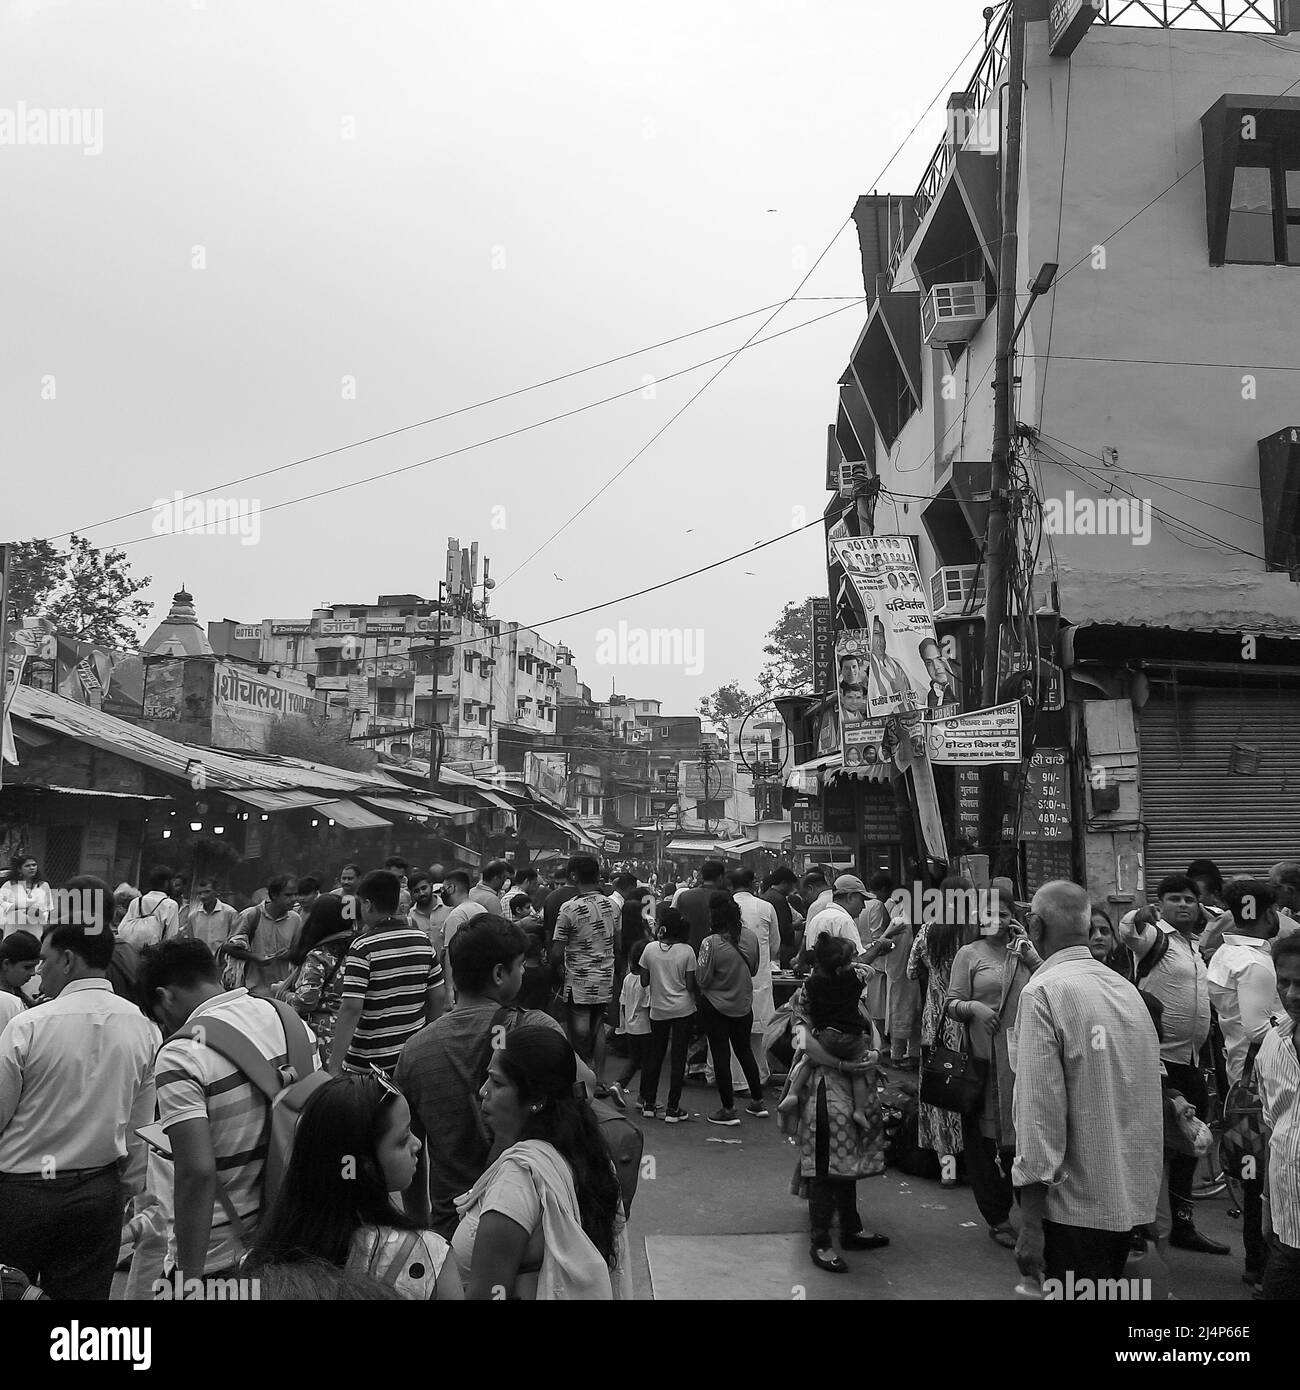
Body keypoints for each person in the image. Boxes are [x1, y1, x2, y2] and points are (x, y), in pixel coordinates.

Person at [139, 939, 320, 1285]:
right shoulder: (290, 1019)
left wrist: (186, 1280)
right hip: (296, 1237)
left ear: (164, 997)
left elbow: (197, 1173)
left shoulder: (181, 1055)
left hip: (221, 1255)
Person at [1013, 881, 1163, 1289]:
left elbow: (1039, 1114)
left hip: (1072, 1209)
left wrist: (1030, 1224)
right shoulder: (1127, 991)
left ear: (1034, 926)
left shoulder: (1042, 993)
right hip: (1128, 1199)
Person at [0, 911, 158, 1299]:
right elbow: (140, 1125)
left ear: (68, 960)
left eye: (45, 963)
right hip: (98, 1190)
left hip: (22, 1191)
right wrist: (126, 1187)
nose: (39, 974)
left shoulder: (29, 1025)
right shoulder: (143, 1027)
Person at [395, 916, 567, 1240]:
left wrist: (420, 1228)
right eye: (520, 965)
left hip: (450, 1227)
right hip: (529, 1226)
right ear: (500, 974)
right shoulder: (538, 1031)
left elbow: (411, 1151)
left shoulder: (415, 1050)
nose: (525, 972)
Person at [246, 1072, 462, 1300]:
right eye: (402, 1140)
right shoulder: (429, 1257)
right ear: (363, 1165)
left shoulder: (262, 1261)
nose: (417, 1144)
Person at [453, 1025, 628, 1299]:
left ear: (536, 1099)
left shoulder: (519, 1178)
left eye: (497, 1083)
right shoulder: (587, 1157)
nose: (483, 1091)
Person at [1117, 874, 1228, 1255]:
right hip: (1157, 1061)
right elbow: (1128, 928)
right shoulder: (1153, 938)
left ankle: (1181, 1223)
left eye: (1189, 900)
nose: (1183, 905)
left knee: (1188, 1148)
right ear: (1161, 904)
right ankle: (1136, 1226)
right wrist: (1141, 913)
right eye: (1175, 899)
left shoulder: (1195, 946)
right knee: (1150, 1148)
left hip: (1192, 1061)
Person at [945, 881, 1041, 1250]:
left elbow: (1055, 985)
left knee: (1026, 1139)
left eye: (1003, 913)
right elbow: (951, 1003)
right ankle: (997, 1216)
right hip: (984, 1065)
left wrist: (1030, 953)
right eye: (989, 914)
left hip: (1027, 1062)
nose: (997, 920)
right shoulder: (969, 954)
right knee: (986, 1145)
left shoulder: (1027, 952)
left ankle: (1032, 1213)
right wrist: (975, 1008)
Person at [784, 957, 889, 1273]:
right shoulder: (809, 996)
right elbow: (802, 1041)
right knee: (824, 1163)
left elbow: (872, 1031)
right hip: (825, 1087)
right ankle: (820, 1240)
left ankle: (850, 1227)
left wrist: (873, 1054)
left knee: (847, 1156)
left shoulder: (850, 994)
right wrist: (844, 1064)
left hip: (856, 1084)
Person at [1207, 878, 1283, 1289]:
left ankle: (1259, 1261)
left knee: (1257, 1177)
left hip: (1242, 1077)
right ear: (1268, 913)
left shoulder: (1227, 953)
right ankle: (1266, 1267)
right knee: (1268, 1177)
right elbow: (1259, 1028)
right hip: (1264, 1082)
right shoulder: (1255, 963)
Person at [329, 870, 444, 1077]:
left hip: (368, 1064)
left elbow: (351, 1008)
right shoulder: (422, 940)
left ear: (368, 904)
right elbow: (438, 996)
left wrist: (335, 1066)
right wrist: (425, 1044)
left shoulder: (363, 946)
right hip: (410, 1058)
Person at [906, 876, 975, 1177]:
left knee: (938, 1096)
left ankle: (947, 1169)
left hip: (935, 1022)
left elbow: (911, 972)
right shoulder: (975, 934)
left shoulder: (928, 930)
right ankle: (977, 1165)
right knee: (971, 1091)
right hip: (970, 1023)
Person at [779, 934, 875, 1129]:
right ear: (843, 966)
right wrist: (870, 1055)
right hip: (853, 1039)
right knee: (859, 1072)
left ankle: (792, 1093)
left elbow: (804, 1041)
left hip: (825, 1037)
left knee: (805, 1061)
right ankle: (859, 1111)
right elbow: (869, 971)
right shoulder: (856, 981)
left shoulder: (810, 986)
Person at [696, 891, 767, 1126]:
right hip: (743, 1005)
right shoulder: (750, 937)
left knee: (721, 1055)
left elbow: (702, 979)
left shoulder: (710, 943)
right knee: (744, 1051)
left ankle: (728, 1109)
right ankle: (758, 1101)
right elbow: (754, 969)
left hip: (715, 1006)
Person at [1255, 934, 1300, 1300]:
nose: (1292, 995)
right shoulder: (1273, 1044)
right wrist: (1268, 1207)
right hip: (1289, 1228)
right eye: (1284, 982)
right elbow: (1272, 1130)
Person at [549, 855, 618, 1080]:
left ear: (573, 876)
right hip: (605, 977)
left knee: (579, 1033)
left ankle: (582, 1080)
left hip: (578, 980)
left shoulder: (569, 908)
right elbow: (619, 943)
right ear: (598, 876)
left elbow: (557, 952)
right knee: (598, 1027)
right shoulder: (613, 906)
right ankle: (599, 1079)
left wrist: (553, 969)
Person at [638, 907, 697, 1122]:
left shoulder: (650, 949)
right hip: (683, 1009)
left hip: (658, 1008)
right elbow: (691, 985)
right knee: (678, 1057)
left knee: (655, 1055)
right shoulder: (687, 951)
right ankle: (673, 1107)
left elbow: (644, 980)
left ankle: (649, 1103)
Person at [281, 894, 357, 1064]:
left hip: (326, 1038)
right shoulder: (358, 949)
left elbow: (305, 1002)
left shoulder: (319, 956)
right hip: (356, 1032)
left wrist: (283, 994)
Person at [729, 867, 780, 1087]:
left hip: (729, 979)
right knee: (758, 1034)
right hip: (759, 976)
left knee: (732, 1035)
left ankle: (735, 1079)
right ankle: (759, 1076)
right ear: (753, 883)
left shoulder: (725, 905)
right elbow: (775, 945)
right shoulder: (766, 907)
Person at [223, 874, 302, 999]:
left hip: (281, 991)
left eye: (295, 894)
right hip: (252, 991)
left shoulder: (295, 919)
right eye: (288, 895)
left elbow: (298, 951)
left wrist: (289, 954)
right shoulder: (251, 915)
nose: (293, 899)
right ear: (274, 895)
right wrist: (254, 957)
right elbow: (229, 947)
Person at [610, 938, 651, 1110]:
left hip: (630, 1026)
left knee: (634, 1060)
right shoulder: (646, 981)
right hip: (646, 1026)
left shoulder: (628, 978)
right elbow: (649, 1005)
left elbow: (623, 1003)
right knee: (649, 1062)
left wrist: (624, 1025)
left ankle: (619, 1084)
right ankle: (645, 1097)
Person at [799, 874, 869, 963]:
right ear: (850, 897)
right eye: (861, 900)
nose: (863, 906)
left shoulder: (817, 918)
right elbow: (858, 960)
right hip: (838, 977)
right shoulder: (844, 921)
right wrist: (879, 945)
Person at [118, 865, 182, 948]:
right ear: (166, 883)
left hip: (132, 953)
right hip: (156, 955)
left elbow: (122, 930)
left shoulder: (136, 901)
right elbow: (172, 937)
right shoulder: (170, 905)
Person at [676, 859, 728, 952]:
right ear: (720, 878)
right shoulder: (725, 898)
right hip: (716, 952)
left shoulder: (685, 896)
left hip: (688, 950)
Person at [0, 856, 53, 937]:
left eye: (34, 865)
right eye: (27, 866)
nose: (32, 868)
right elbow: (1, 903)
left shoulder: (44, 885)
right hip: (13, 930)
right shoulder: (9, 885)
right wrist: (17, 907)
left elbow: (48, 908)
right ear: (19, 869)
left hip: (35, 930)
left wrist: (39, 914)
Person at [441, 870, 487, 963]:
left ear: (451, 888)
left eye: (443, 889)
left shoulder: (456, 915)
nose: (442, 893)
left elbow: (451, 956)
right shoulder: (482, 909)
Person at [183, 878, 238, 954]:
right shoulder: (193, 916)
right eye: (199, 893)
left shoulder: (230, 913)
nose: (203, 896)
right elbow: (190, 942)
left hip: (223, 962)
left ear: (216, 891)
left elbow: (235, 941)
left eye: (207, 892)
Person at [0, 931, 39, 1036]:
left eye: (35, 966)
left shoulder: (19, 995)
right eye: (27, 967)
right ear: (6, 964)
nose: (33, 973)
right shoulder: (5, 1002)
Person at [760, 866, 799, 969]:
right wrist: (796, 925)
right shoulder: (778, 899)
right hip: (782, 948)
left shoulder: (766, 895)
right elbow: (783, 927)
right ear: (783, 882)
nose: (792, 889)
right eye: (791, 885)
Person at [1088, 903, 1133, 981]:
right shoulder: (1072, 974)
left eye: (1104, 931)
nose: (1099, 937)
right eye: (1091, 932)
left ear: (1112, 935)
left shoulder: (1122, 971)